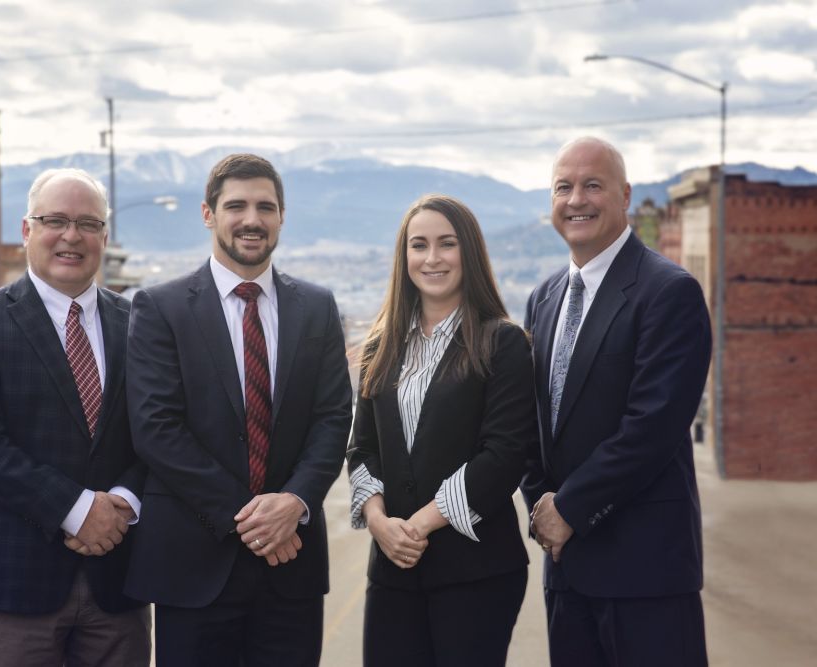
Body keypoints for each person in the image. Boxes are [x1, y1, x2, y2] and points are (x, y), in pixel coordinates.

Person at [124, 153, 353, 666]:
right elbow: (156, 428)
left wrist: (294, 502)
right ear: (208, 214)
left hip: (291, 565)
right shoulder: (161, 308)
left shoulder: (316, 308)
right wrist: (254, 521)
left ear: (281, 217)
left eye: (265, 207)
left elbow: (333, 418)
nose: (252, 219)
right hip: (195, 563)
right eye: (237, 206)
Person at [0, 168, 150, 665]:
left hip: (117, 580)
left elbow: (158, 433)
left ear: (103, 235)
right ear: (27, 230)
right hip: (13, 577)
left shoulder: (141, 326)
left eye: (88, 223)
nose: (71, 236)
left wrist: (122, 502)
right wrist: (77, 510)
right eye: (55, 220)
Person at [521, 136, 712, 666]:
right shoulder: (544, 297)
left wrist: (569, 509)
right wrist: (542, 510)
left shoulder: (668, 292)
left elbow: (652, 427)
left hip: (645, 572)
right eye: (564, 187)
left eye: (592, 185)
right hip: (566, 569)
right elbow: (533, 419)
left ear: (625, 195)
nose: (576, 199)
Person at [346, 194, 537, 666]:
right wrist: (377, 521)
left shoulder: (502, 343)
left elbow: (504, 455)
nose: (432, 258)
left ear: (468, 252)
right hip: (392, 569)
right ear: (403, 256)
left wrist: (416, 526)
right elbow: (362, 449)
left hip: (476, 574)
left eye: (446, 244)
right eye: (419, 245)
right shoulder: (380, 346)